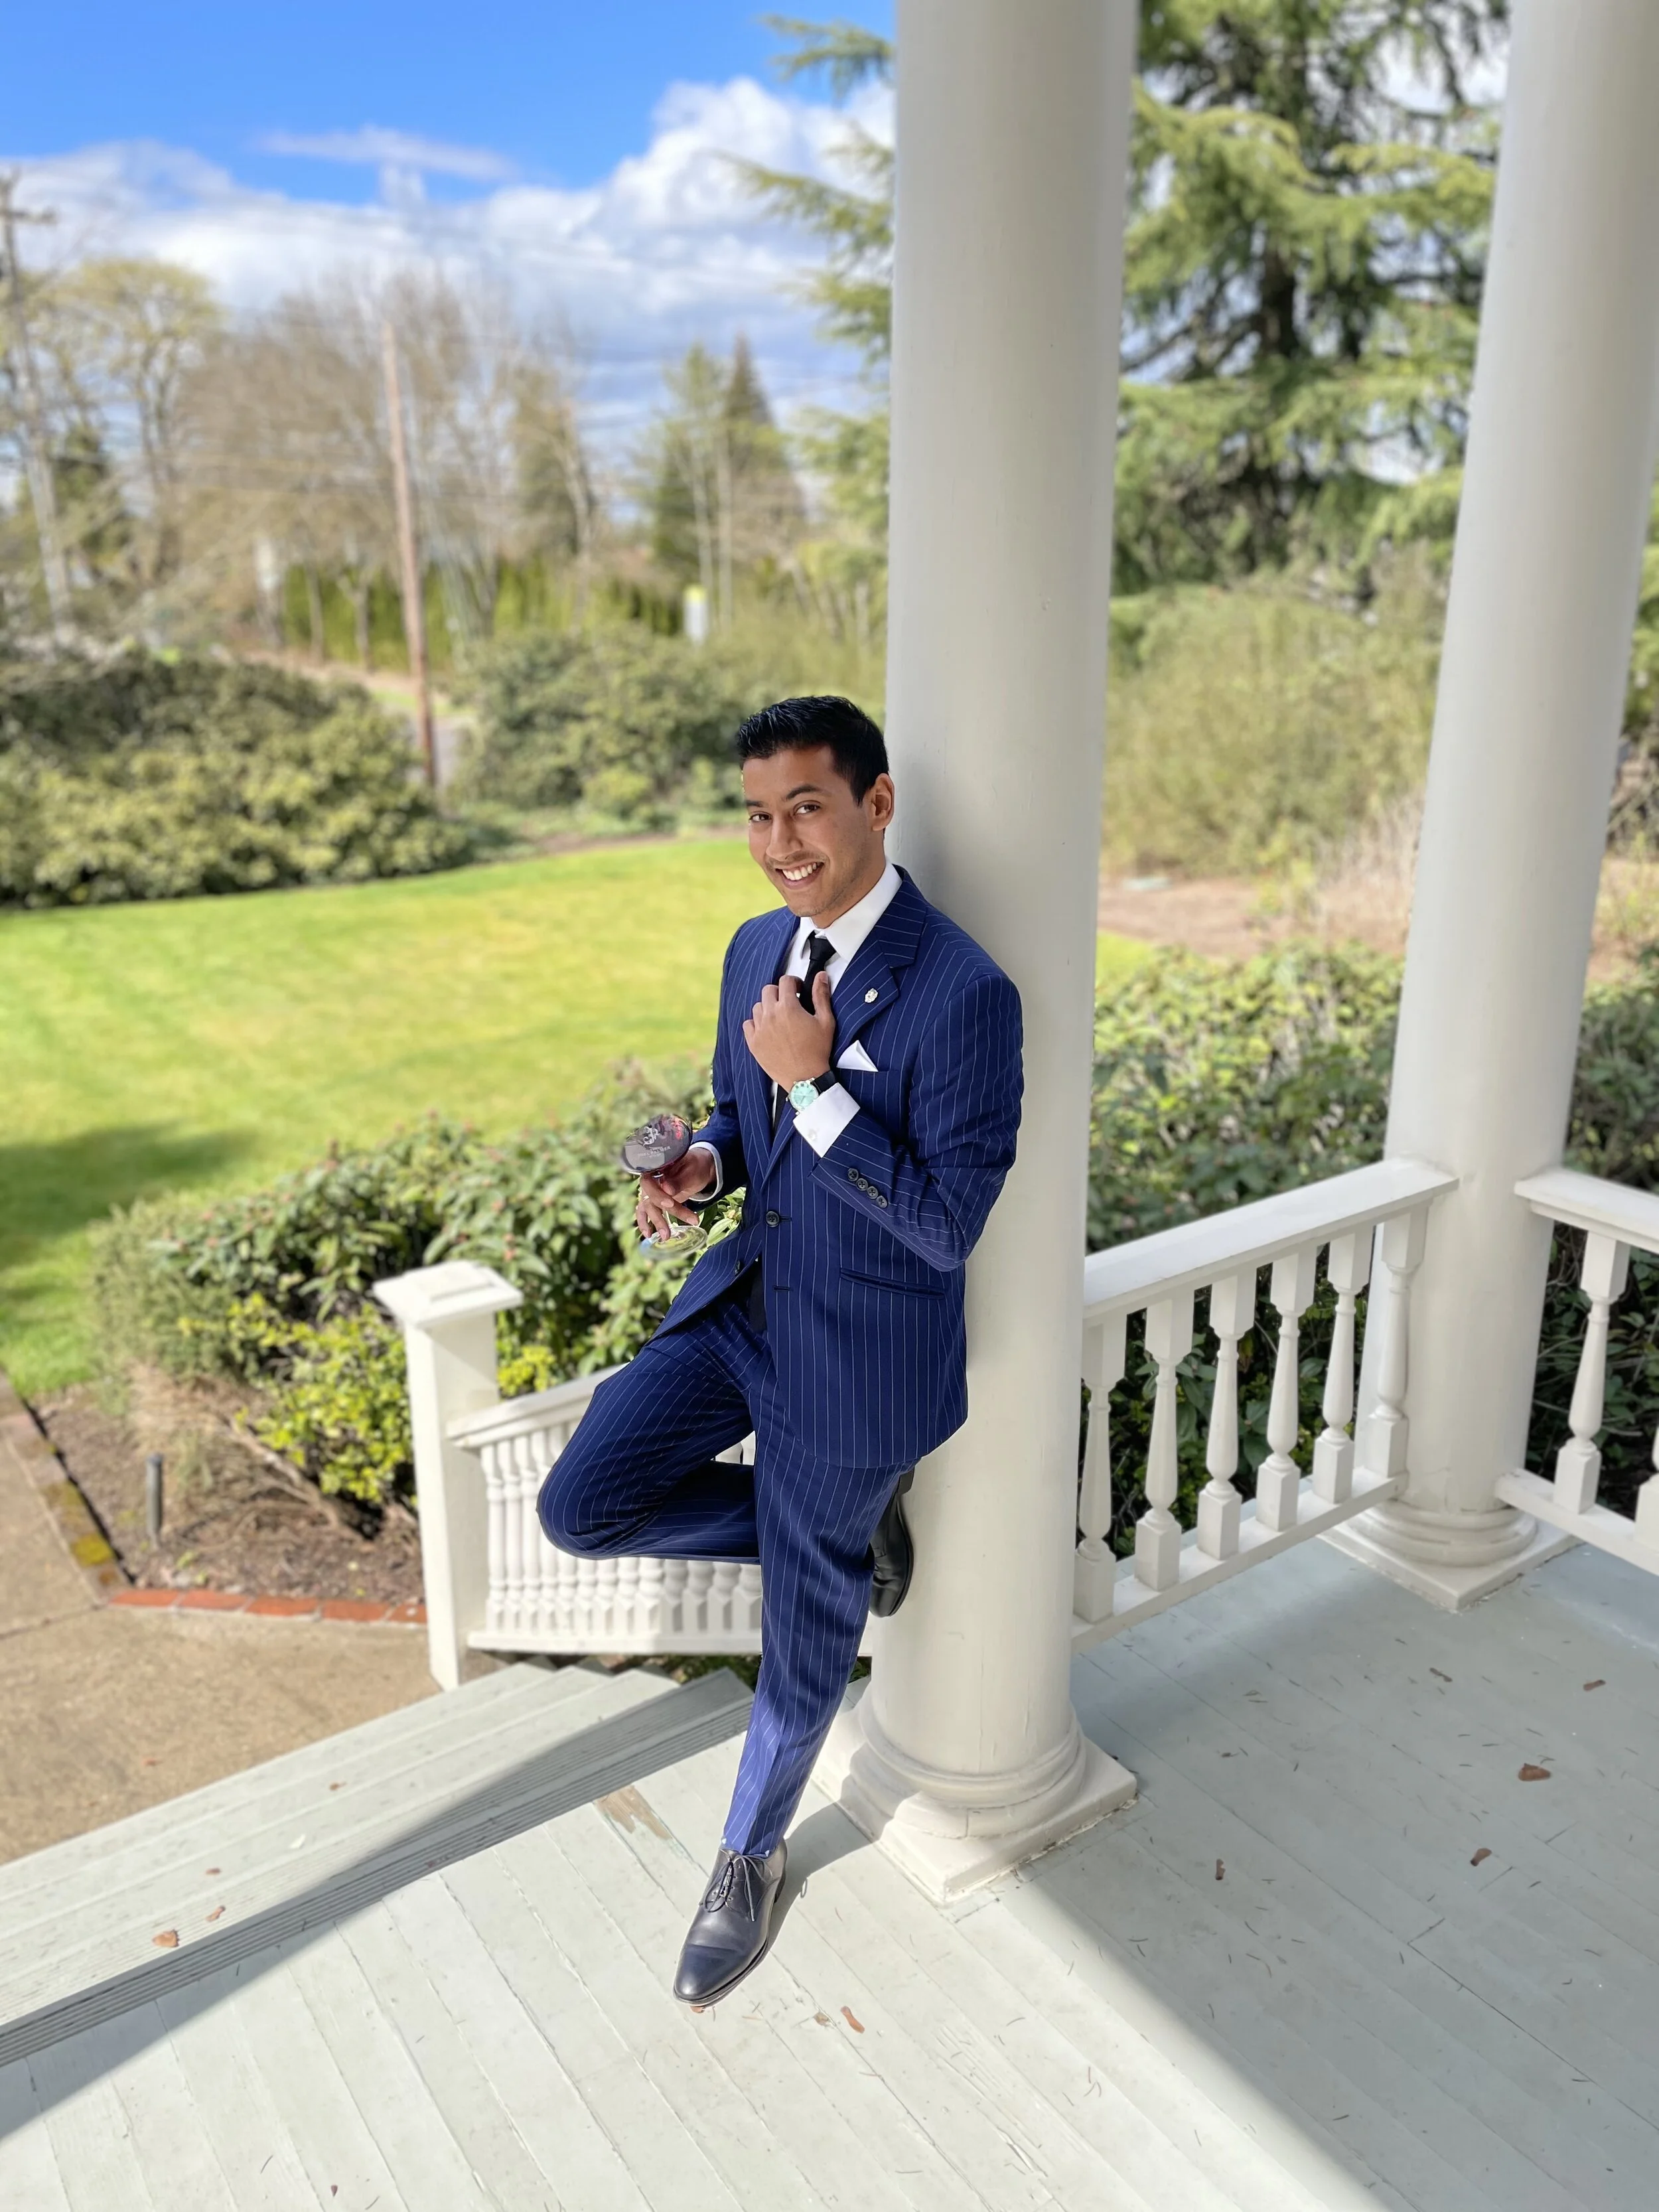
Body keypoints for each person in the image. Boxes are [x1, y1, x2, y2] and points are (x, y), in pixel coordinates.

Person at [538, 694, 1023, 2005]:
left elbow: (942, 1225)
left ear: (874, 803)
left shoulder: (968, 994)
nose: (778, 842)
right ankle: (830, 1534)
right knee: (580, 1506)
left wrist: (813, 1087)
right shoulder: (756, 942)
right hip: (743, 1307)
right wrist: (702, 1164)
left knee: (800, 1640)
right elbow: (741, 1129)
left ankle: (749, 1854)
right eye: (757, 814)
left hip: (857, 1359)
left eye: (804, 806)